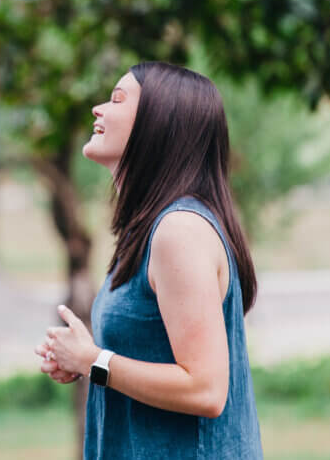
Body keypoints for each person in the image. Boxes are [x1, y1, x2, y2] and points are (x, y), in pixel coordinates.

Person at [35, 61, 263, 459]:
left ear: (159, 125)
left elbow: (206, 389)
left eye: (118, 99)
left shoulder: (179, 232)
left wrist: (95, 362)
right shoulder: (148, 232)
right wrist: (83, 358)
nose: (98, 109)